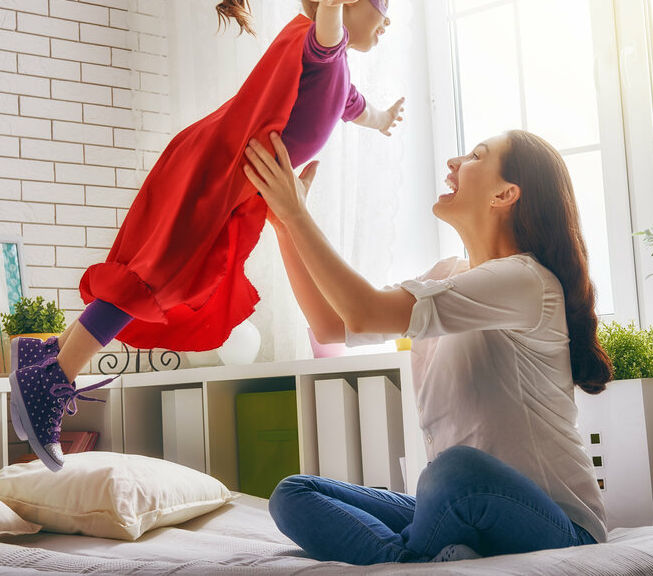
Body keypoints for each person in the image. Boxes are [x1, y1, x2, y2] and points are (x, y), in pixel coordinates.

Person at [10, 0, 405, 471]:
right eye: (379, 4)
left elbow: (352, 105)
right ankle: (51, 381)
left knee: (177, 279)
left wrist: (381, 120)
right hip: (211, 174)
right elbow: (326, 37)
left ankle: (46, 358)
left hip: (229, 183)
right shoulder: (321, 45)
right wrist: (330, 6)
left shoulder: (337, 75)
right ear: (337, 0)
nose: (387, 18)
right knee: (157, 278)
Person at [242, 129, 613, 564]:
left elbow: (363, 311)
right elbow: (332, 325)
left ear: (506, 193)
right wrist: (286, 225)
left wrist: (298, 215)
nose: (454, 162)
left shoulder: (525, 280)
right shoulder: (448, 273)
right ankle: (417, 561)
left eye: (477, 155)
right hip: (464, 506)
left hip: (558, 528)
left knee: (454, 470)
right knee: (294, 493)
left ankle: (409, 560)